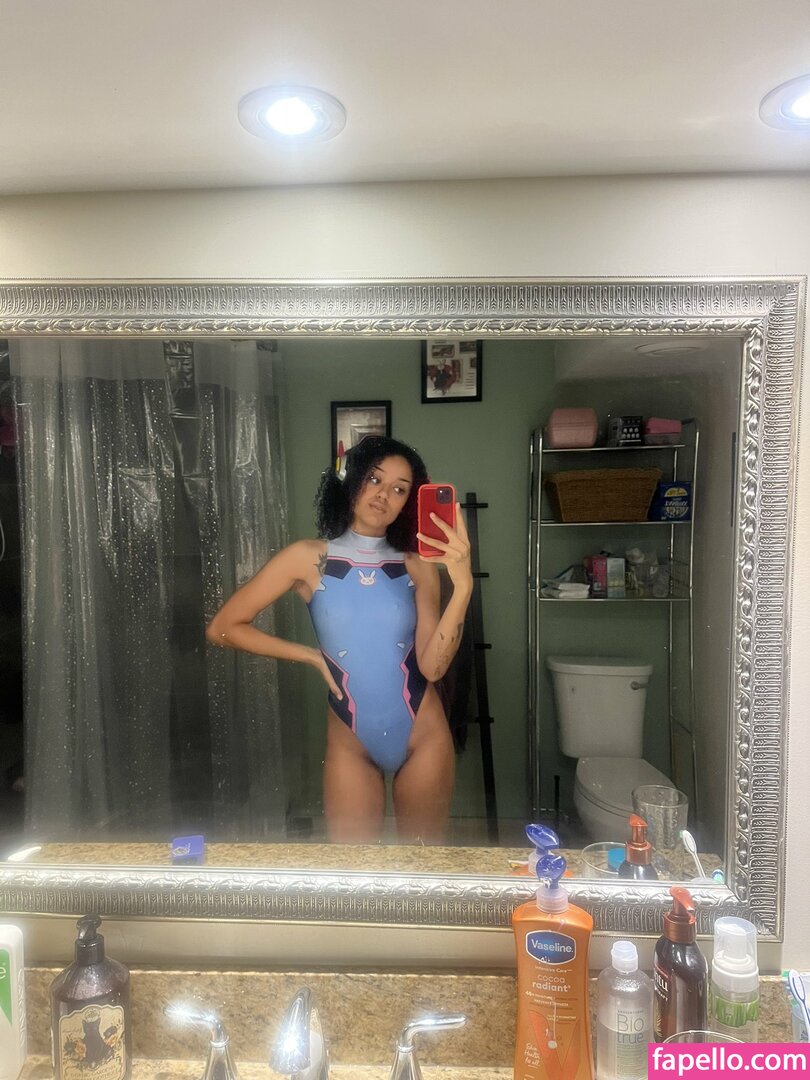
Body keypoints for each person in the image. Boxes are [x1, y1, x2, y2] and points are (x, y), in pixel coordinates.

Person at [206, 436, 473, 844]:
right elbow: (224, 627)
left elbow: (433, 667)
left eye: (399, 489)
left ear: (408, 502)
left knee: (422, 866)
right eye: (374, 479)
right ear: (352, 481)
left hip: (423, 736)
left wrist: (464, 585)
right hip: (351, 740)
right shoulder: (306, 558)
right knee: (354, 869)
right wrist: (311, 656)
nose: (383, 495)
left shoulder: (418, 566)